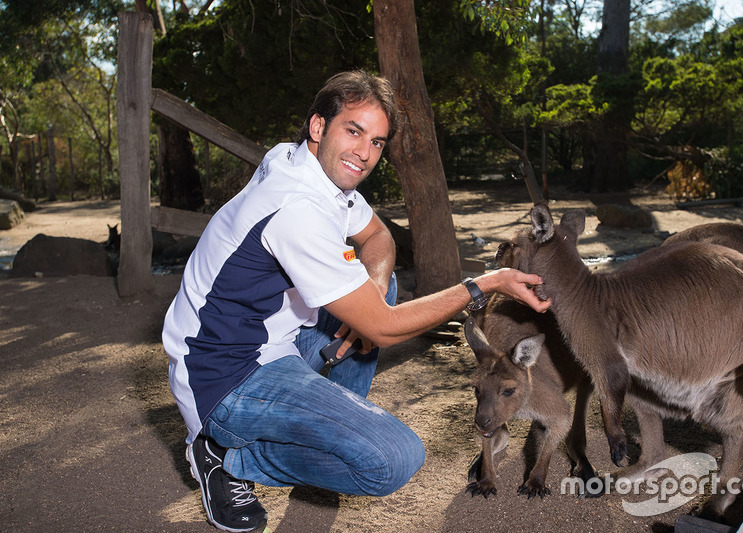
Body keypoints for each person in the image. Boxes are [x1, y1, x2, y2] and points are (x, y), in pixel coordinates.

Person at [162, 69, 550, 532]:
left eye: (378, 142)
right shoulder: (298, 209)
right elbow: (385, 326)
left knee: (376, 287)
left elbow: (378, 236)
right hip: (223, 372)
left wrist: (369, 296)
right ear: (318, 127)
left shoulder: (302, 163)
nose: (365, 153)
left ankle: (325, 426)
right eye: (354, 131)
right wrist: (485, 284)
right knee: (393, 459)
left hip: (274, 338)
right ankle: (224, 457)